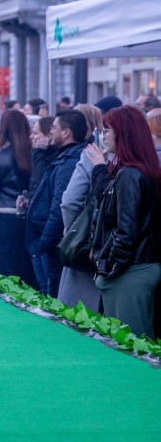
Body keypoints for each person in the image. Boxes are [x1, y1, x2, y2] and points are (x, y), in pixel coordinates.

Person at [87, 105, 161, 338]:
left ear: (125, 134)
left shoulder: (130, 174)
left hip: (132, 270)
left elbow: (126, 231)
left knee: (130, 346)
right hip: (137, 266)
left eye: (108, 129)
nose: (104, 135)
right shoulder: (137, 170)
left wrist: (109, 268)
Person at [25, 109, 88, 297]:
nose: (51, 132)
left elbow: (59, 207)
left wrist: (44, 242)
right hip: (50, 240)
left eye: (54, 128)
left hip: (54, 242)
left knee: (52, 294)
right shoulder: (61, 157)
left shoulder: (69, 162)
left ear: (66, 133)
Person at [56, 104, 104, 311]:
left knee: (80, 317)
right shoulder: (144, 159)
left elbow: (69, 201)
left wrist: (73, 234)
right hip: (125, 253)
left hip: (91, 244)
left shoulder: (93, 154)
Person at [0, 108, 34, 284]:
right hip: (29, 217)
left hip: (2, 216)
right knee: (25, 272)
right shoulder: (35, 155)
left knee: (2, 272)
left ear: (2, 128)